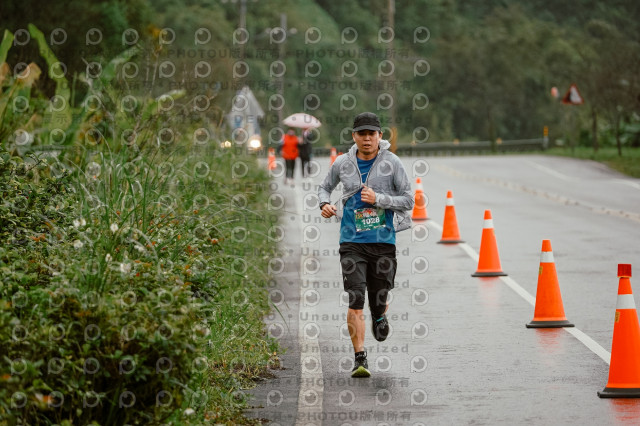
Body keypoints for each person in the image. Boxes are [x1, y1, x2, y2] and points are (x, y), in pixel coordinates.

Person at [317, 112, 414, 378]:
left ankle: (379, 315)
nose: (367, 138)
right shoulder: (343, 163)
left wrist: (379, 199)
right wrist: (324, 204)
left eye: (372, 133)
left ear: (380, 136)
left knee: (378, 297)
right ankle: (360, 357)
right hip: (352, 242)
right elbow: (324, 188)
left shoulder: (392, 163)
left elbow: (409, 199)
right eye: (362, 134)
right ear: (354, 136)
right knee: (356, 298)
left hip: (383, 242)